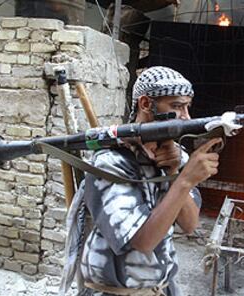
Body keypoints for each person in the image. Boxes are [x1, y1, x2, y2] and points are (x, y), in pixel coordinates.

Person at [79, 66, 221, 296]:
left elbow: (190, 225)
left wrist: (174, 171)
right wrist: (184, 180)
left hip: (161, 289)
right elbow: (143, 242)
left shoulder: (176, 157)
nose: (186, 117)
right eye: (176, 106)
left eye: (187, 107)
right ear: (146, 104)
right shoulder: (110, 162)